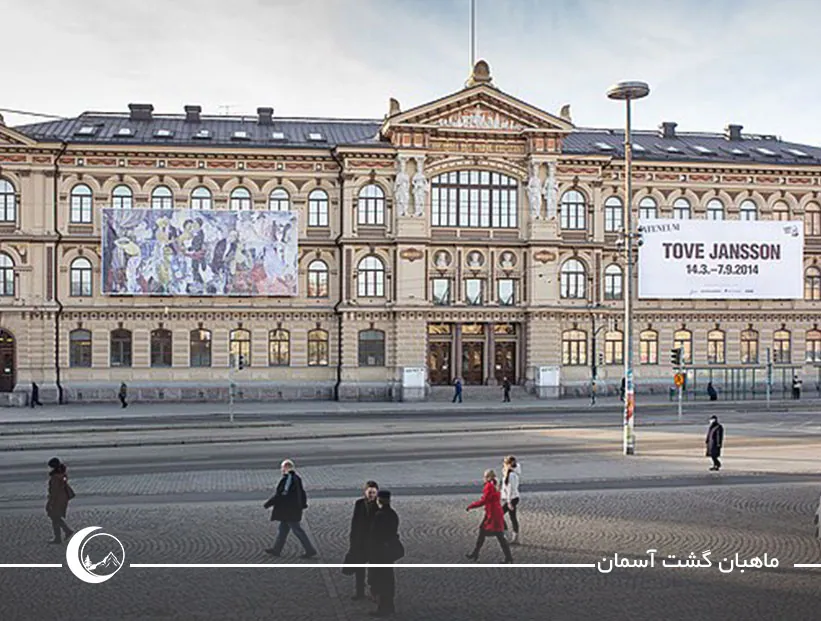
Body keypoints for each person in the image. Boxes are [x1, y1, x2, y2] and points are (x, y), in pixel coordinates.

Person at [263, 459, 317, 558]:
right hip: (292, 510)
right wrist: (303, 504)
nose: (281, 470)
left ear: (286, 468)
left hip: (288, 510)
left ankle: (310, 550)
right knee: (283, 530)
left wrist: (268, 503)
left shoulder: (288, 479)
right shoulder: (296, 478)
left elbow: (281, 494)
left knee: (297, 530)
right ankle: (276, 549)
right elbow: (302, 492)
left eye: (282, 468)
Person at [465, 469, 513, 563]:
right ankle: (476, 553)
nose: (483, 478)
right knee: (485, 533)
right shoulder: (496, 484)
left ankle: (508, 557)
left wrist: (471, 506)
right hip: (494, 513)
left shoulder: (489, 486)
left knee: (498, 536)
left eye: (485, 476)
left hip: (493, 515)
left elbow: (484, 501)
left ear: (488, 477)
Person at [368, 490, 402, 617]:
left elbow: (375, 535)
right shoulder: (393, 514)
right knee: (388, 578)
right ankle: (389, 605)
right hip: (389, 552)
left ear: (379, 500)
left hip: (379, 553)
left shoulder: (379, 515)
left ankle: (383, 608)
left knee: (381, 580)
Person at [346, 480, 380, 601]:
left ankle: (374, 592)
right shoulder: (359, 504)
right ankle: (359, 591)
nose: (371, 495)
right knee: (359, 569)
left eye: (373, 492)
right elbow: (355, 522)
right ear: (365, 492)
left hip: (373, 543)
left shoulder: (379, 505)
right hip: (360, 542)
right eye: (369, 492)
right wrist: (353, 540)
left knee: (374, 569)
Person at [46, 457, 74, 544]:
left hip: (57, 499)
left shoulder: (55, 477)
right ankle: (64, 533)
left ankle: (61, 535)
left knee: (54, 517)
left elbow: (54, 492)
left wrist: (50, 503)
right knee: (56, 517)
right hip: (63, 498)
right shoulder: (62, 474)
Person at [501, 456, 521, 545]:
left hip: (512, 498)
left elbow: (510, 489)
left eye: (504, 463)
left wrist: (508, 502)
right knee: (513, 517)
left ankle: (507, 535)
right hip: (514, 497)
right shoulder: (511, 473)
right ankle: (514, 538)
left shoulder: (511, 475)